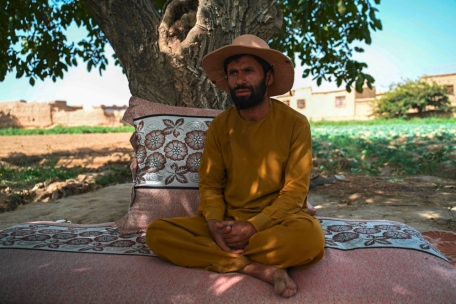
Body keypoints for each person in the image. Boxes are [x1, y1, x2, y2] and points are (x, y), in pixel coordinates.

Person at [146, 34, 325, 298]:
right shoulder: (221, 126)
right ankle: (253, 267)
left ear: (268, 77)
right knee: (157, 234)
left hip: (277, 223)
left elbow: (296, 191)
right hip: (229, 220)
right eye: (233, 73)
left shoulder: (295, 124)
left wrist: (253, 226)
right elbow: (210, 183)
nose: (240, 80)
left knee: (308, 239)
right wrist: (215, 224)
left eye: (249, 71)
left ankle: (225, 255)